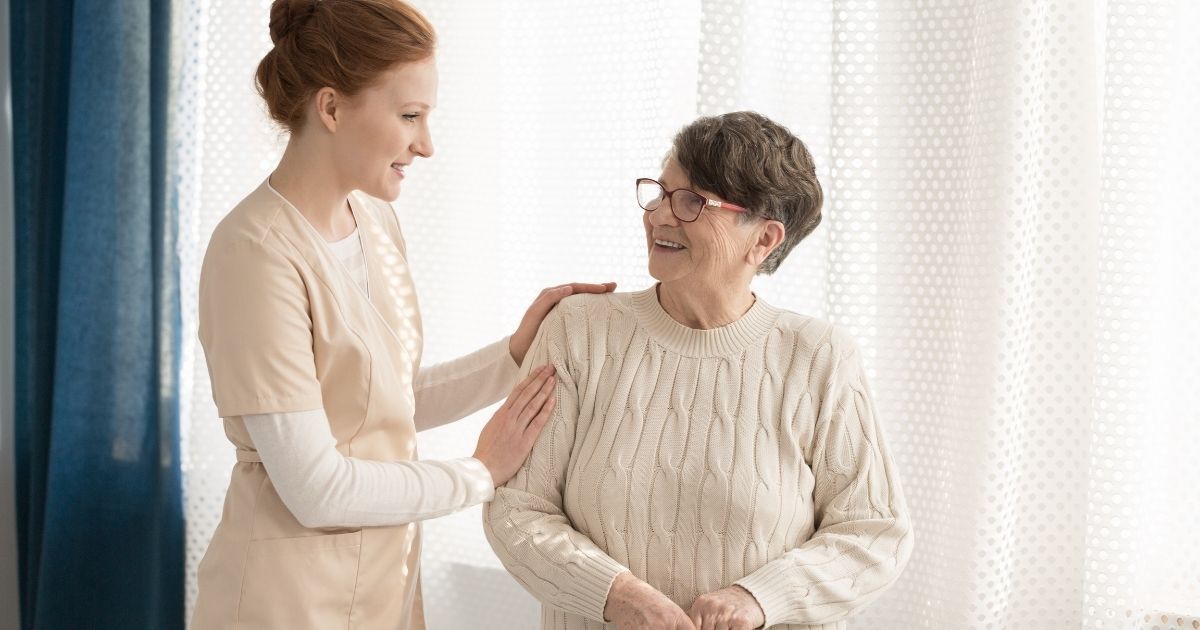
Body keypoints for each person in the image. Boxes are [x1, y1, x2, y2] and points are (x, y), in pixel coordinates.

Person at [190, 1, 614, 628]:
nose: (426, 144)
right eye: (409, 115)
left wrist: (513, 355)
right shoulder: (254, 254)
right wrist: (481, 472)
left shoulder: (376, 224)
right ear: (330, 108)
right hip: (285, 603)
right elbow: (316, 488)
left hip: (383, 589)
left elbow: (378, 400)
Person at [484, 111, 913, 630]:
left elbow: (875, 531)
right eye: (660, 193)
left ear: (763, 240)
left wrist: (757, 599)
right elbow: (515, 508)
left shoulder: (818, 355)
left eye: (693, 202)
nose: (661, 216)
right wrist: (619, 597)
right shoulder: (579, 330)